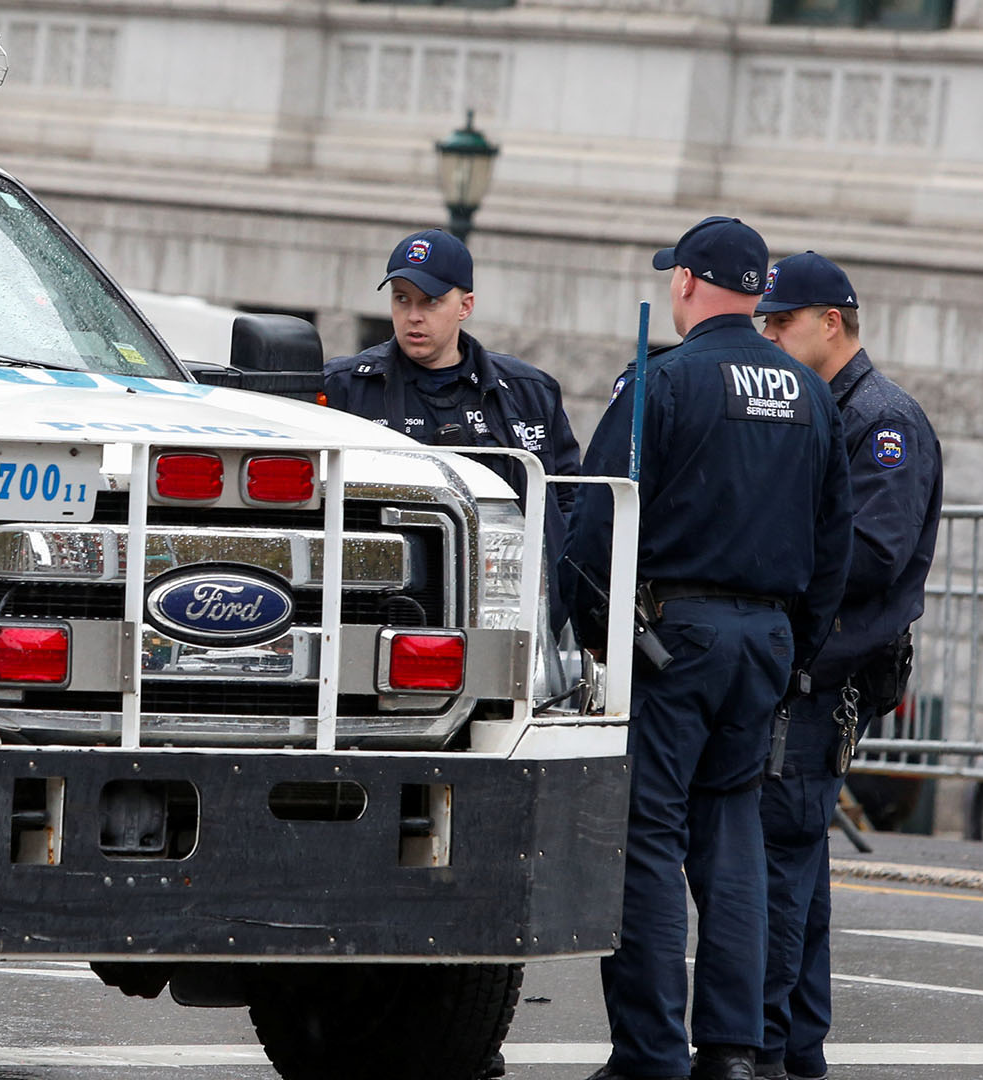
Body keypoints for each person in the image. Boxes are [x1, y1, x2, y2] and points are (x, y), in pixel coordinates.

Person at [566, 216, 852, 1080]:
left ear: (687, 283)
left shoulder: (666, 382)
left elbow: (592, 527)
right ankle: (734, 1047)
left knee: (647, 836)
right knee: (731, 836)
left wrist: (605, 643)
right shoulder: (807, 392)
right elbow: (834, 539)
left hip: (672, 637)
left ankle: (651, 1053)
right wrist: (795, 650)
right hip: (764, 641)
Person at [754, 252, 943, 1080]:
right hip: (807, 665)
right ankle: (796, 1050)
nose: (769, 336)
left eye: (781, 322)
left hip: (827, 674)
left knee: (779, 863)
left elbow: (872, 553)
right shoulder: (827, 410)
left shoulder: (881, 420)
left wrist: (757, 550)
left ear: (831, 322)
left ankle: (765, 1051)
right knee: (794, 865)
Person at [323, 228, 580, 513]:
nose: (414, 316)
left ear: (465, 306)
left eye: (430, 301)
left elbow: (569, 501)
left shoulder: (529, 389)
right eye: (402, 299)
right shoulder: (344, 386)